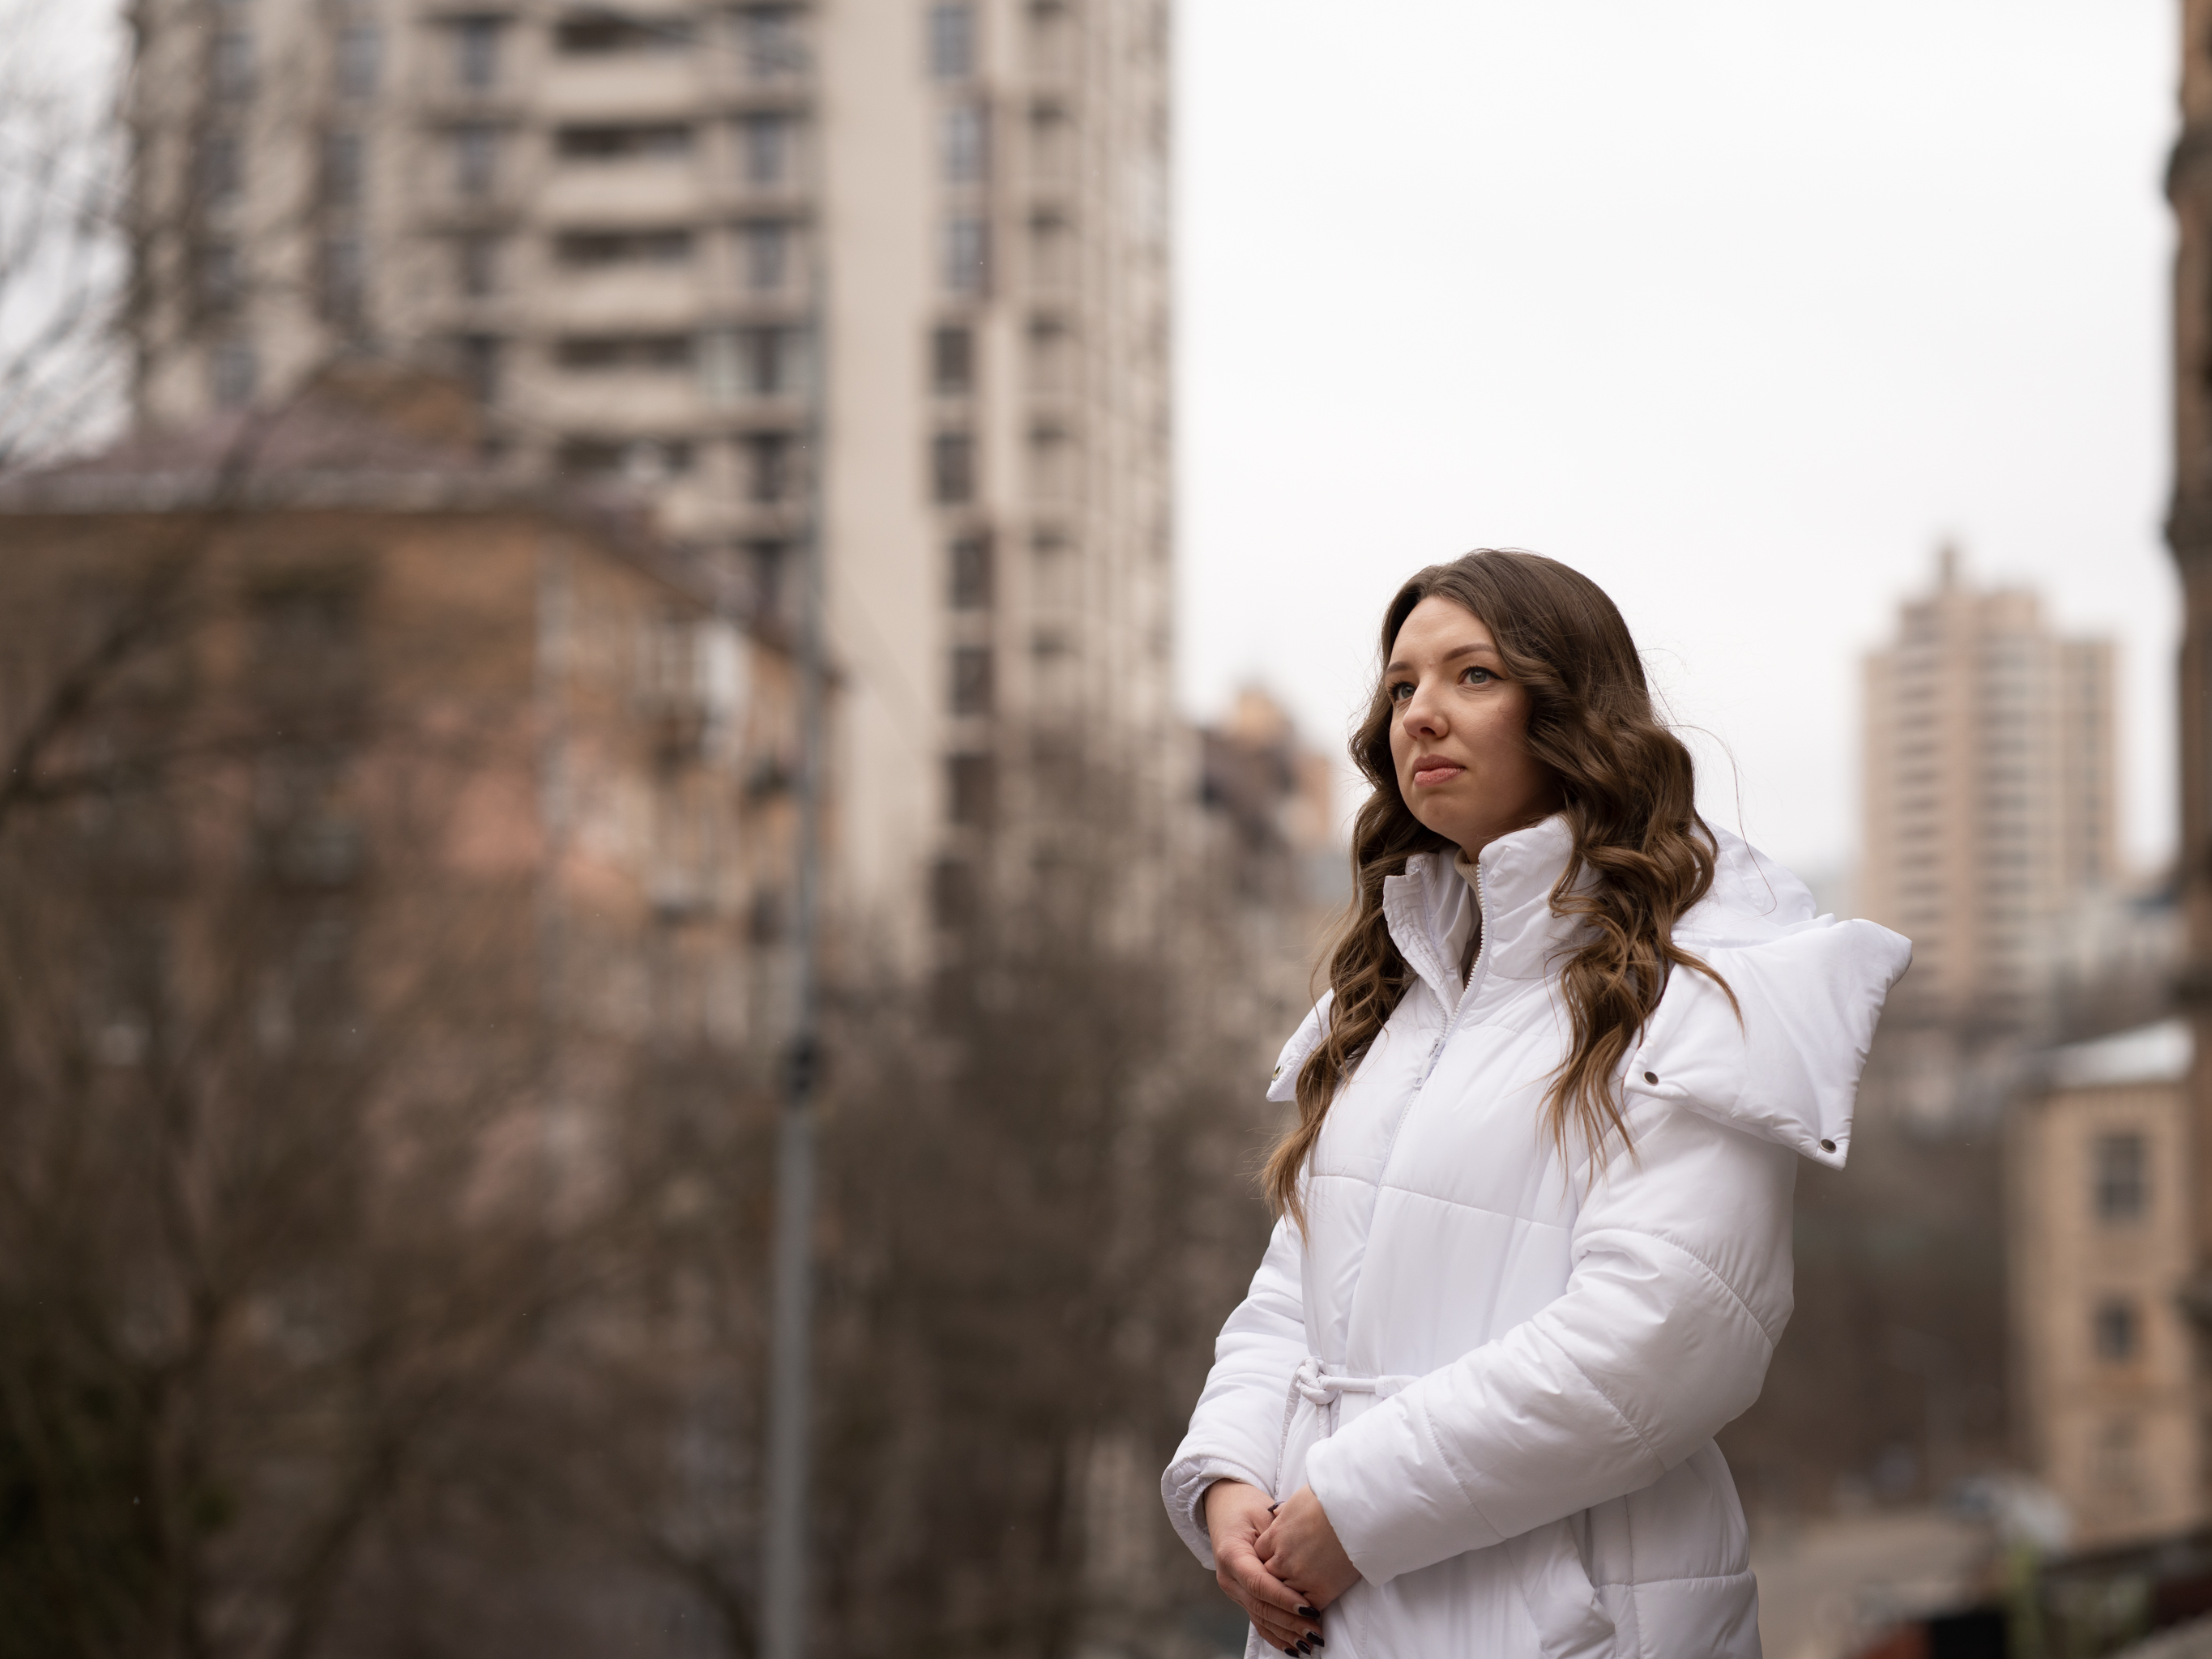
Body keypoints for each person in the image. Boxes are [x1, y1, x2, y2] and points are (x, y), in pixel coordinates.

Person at [1161, 551, 1911, 1659]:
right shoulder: (1396, 996)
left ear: (1569, 709)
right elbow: (1299, 1287)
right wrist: (1228, 1479)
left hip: (1573, 1619)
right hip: (1334, 1610)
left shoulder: (1699, 982)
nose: (1421, 713)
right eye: (1402, 685)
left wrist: (1353, 1511)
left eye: (1471, 675)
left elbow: (1666, 1332)